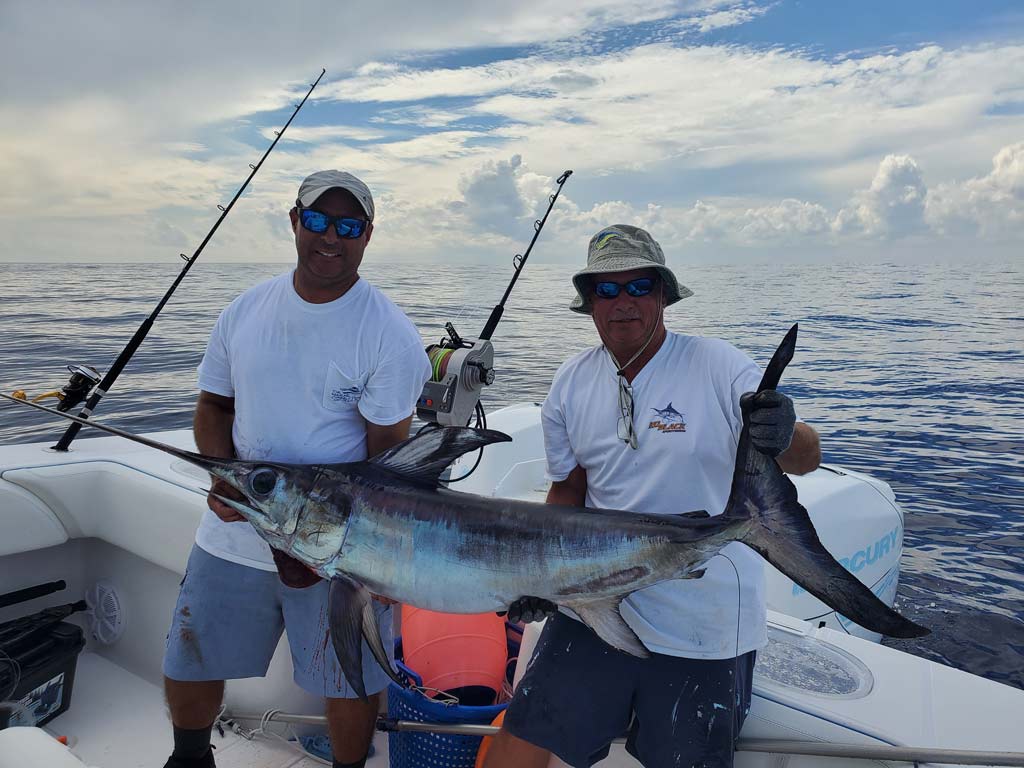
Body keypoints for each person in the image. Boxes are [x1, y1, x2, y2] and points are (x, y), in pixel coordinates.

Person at [484, 225, 821, 768]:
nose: (623, 303)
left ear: (663, 294)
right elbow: (568, 490)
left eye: (638, 286)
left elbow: (805, 456)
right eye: (606, 290)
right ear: (590, 303)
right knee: (521, 735)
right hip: (593, 604)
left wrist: (785, 434)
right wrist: (541, 575)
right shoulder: (570, 383)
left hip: (704, 622)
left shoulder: (718, 366)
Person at [161, 170, 432, 768]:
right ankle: (188, 758)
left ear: (366, 236)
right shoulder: (245, 310)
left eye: (347, 226)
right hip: (236, 525)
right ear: (293, 222)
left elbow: (388, 463)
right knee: (190, 653)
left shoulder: (388, 334)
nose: (329, 237)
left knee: (351, 677)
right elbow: (214, 404)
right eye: (316, 221)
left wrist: (332, 543)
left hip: (341, 544)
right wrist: (221, 475)